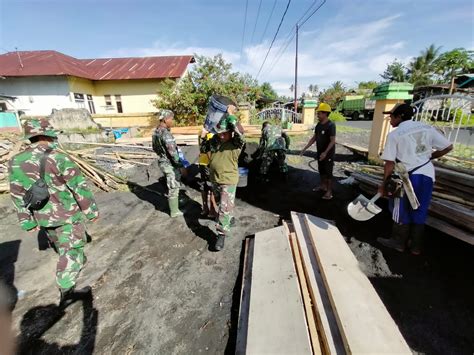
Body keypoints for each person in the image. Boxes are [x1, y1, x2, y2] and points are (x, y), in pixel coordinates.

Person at [8, 118, 98, 305]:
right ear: (46, 134)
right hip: (67, 214)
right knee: (71, 249)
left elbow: (17, 194)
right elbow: (78, 187)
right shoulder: (58, 157)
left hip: (42, 215)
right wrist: (91, 211)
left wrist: (27, 220)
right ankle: (67, 290)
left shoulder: (16, 161)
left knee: (60, 244)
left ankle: (75, 262)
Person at [376, 103, 452, 255]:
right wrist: (430, 156)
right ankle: (416, 247)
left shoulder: (394, 135)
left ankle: (398, 242)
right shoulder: (427, 128)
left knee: (400, 209)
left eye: (391, 116)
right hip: (427, 175)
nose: (389, 119)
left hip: (406, 177)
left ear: (400, 116)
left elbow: (389, 163)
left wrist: (384, 185)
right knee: (419, 209)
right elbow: (448, 147)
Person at [203, 106, 245, 251]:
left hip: (228, 179)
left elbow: (241, 132)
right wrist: (205, 133)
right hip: (215, 178)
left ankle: (221, 234)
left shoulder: (236, 144)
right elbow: (204, 146)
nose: (221, 136)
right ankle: (229, 219)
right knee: (223, 204)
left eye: (224, 133)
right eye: (220, 133)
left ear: (231, 132)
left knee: (224, 208)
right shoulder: (216, 141)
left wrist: (230, 115)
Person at [300, 102, 336, 200]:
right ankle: (323, 186)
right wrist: (304, 149)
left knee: (328, 173)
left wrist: (325, 152)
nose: (317, 115)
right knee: (321, 171)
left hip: (328, 154)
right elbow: (314, 138)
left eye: (319, 113)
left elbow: (333, 141)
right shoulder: (319, 125)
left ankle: (329, 192)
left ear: (325, 113)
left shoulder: (331, 125)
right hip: (320, 153)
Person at [152, 110, 184, 218]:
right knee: (173, 186)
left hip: (162, 161)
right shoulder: (166, 134)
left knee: (170, 184)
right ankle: (174, 211)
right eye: (171, 119)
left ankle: (174, 205)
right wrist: (180, 165)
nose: (173, 121)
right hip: (169, 164)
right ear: (165, 120)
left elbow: (154, 148)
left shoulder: (156, 132)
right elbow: (173, 153)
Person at [198, 128, 217, 218]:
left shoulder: (202, 133)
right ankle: (212, 211)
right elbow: (210, 153)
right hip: (209, 164)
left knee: (204, 185)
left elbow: (200, 147)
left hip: (202, 162)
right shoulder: (211, 135)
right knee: (212, 187)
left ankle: (205, 209)